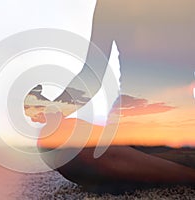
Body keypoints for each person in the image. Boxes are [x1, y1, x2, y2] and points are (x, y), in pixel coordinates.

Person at [24, 0, 195, 192]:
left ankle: (147, 170)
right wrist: (54, 110)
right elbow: (92, 75)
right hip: (127, 133)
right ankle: (184, 175)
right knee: (54, 137)